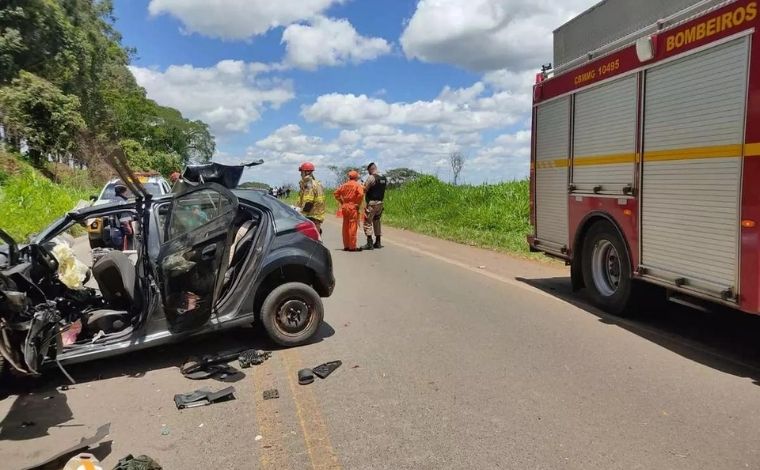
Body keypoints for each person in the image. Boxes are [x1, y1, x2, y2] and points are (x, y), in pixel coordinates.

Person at [334, 170, 364, 251]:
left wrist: (342, 201)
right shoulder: (357, 185)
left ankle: (346, 246)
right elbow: (361, 194)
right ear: (356, 177)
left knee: (345, 226)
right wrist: (357, 203)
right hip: (352, 206)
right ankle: (352, 246)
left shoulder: (344, 185)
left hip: (345, 206)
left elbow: (336, 193)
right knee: (353, 226)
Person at [362, 162, 387, 250]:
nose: (368, 173)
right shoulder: (384, 178)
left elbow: (365, 189)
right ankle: (378, 242)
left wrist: (362, 185)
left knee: (367, 222)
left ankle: (369, 243)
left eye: (368, 171)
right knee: (377, 221)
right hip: (380, 203)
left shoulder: (371, 178)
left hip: (372, 204)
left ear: (371, 169)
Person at [298, 162, 326, 234]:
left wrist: (301, 214)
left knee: (311, 240)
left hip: (311, 216)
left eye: (302, 172)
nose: (301, 174)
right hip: (316, 216)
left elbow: (309, 202)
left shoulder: (309, 184)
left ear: (306, 172)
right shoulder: (316, 183)